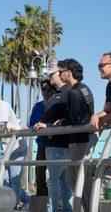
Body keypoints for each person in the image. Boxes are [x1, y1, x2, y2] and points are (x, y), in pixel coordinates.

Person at [35, 59, 95, 212]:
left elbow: (76, 119)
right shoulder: (79, 89)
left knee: (77, 184)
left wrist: (53, 124)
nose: (59, 75)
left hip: (75, 143)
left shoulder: (73, 91)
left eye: (60, 72)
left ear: (68, 72)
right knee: (76, 183)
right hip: (76, 142)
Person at [35, 63, 72, 212]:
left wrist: (53, 125)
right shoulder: (59, 96)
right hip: (51, 144)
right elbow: (38, 123)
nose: (45, 91)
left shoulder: (67, 93)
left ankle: (59, 209)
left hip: (62, 144)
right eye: (42, 88)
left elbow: (75, 117)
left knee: (58, 181)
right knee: (56, 180)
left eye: (52, 74)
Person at [29, 79, 55, 209]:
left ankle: (56, 204)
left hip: (57, 145)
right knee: (40, 174)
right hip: (42, 144)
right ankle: (42, 205)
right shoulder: (38, 106)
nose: (46, 92)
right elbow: (32, 124)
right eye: (43, 89)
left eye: (48, 90)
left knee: (56, 176)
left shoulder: (58, 104)